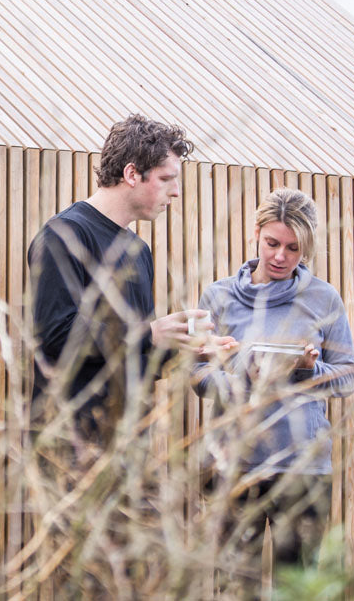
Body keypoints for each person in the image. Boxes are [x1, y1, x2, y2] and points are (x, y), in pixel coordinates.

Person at [191, 188, 354, 578]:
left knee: (296, 585)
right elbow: (196, 373)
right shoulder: (218, 297)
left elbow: (348, 376)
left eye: (294, 248)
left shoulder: (323, 299)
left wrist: (306, 370)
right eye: (272, 243)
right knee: (234, 585)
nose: (281, 256)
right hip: (233, 468)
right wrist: (236, 386)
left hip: (303, 472)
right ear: (256, 232)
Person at [29, 113, 224, 444]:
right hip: (70, 448)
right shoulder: (64, 236)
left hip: (129, 448)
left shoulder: (138, 250)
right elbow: (57, 336)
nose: (175, 192)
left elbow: (131, 353)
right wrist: (149, 332)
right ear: (132, 173)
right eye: (166, 179)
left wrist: (184, 351)